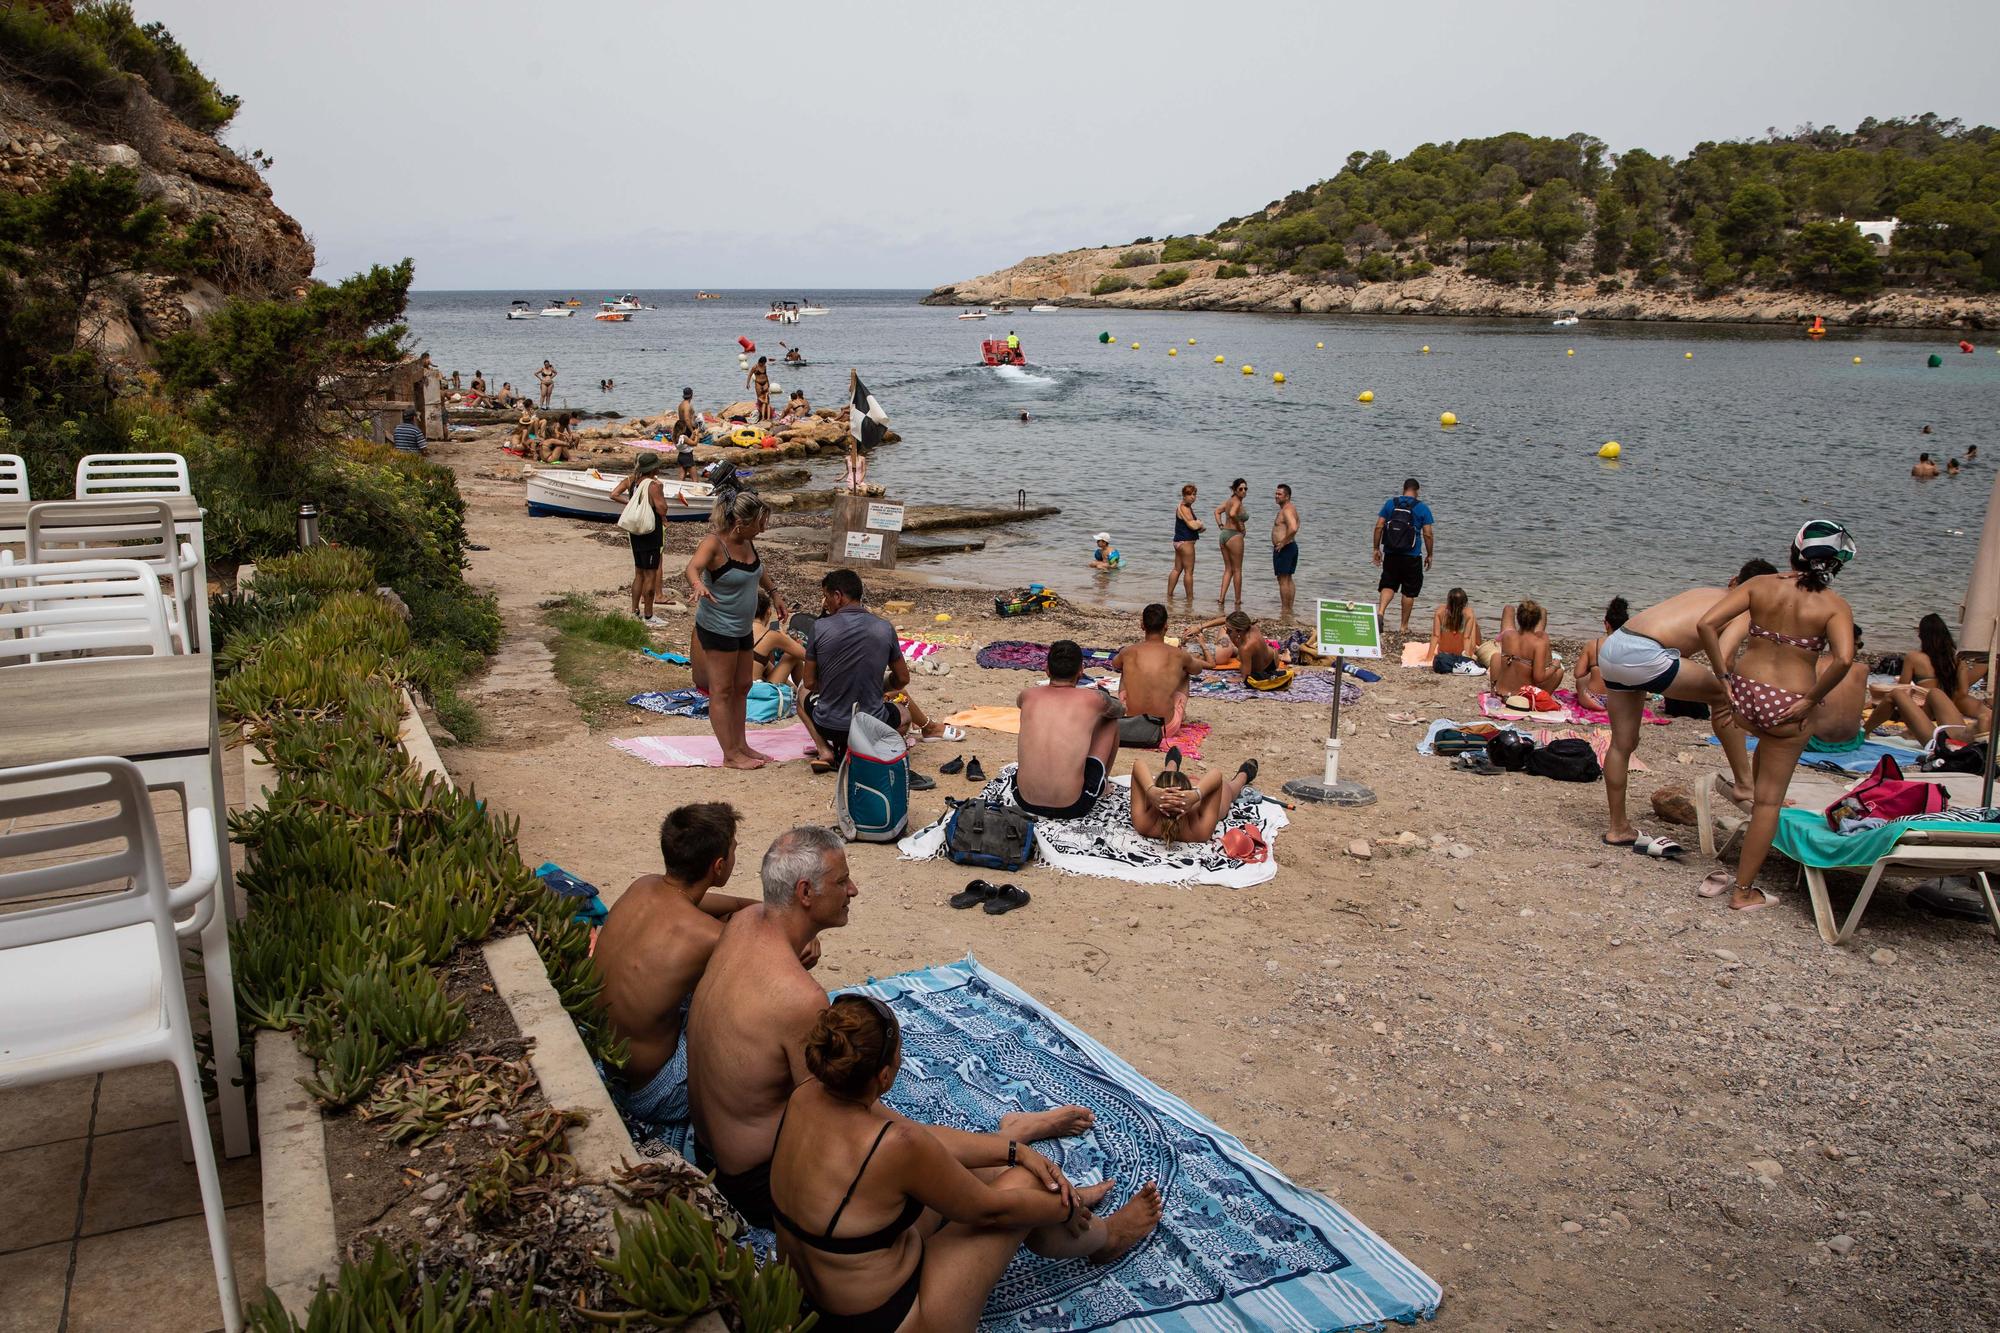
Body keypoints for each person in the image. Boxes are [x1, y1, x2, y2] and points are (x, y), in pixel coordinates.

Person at [689, 827, 1089, 1230]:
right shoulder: (799, 999)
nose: (854, 890)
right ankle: (1051, 1187)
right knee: (943, 1176)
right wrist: (1002, 1153)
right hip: (758, 1184)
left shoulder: (742, 922)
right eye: (842, 881)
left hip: (711, 1154)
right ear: (806, 893)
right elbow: (854, 1121)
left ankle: (1013, 1146)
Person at [769, 996, 1159, 1333]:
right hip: (897, 1320)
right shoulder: (897, 1147)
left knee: (1001, 1170)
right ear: (885, 1075)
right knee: (1032, 1187)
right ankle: (1105, 1239)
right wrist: (1062, 1205)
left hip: (814, 1302)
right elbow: (991, 1211)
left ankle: (1049, 1180)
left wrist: (1014, 1149)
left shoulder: (807, 1094)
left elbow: (926, 1139)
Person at [1695, 522, 1856, 911]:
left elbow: (1707, 625)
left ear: (1794, 552)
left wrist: (1723, 676)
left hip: (1747, 694)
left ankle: (1742, 869)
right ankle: (1743, 891)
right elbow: (1845, 659)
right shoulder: (1834, 606)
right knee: (1769, 803)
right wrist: (1812, 698)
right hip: (1789, 704)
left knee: (1764, 756)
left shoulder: (1761, 585)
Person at [593, 803, 757, 1125]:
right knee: (756, 1030)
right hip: (657, 1093)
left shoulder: (645, 886)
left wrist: (767, 912)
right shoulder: (709, 937)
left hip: (611, 1066)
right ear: (719, 866)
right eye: (735, 850)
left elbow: (737, 906)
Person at [1597, 558, 1774, 847]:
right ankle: (1744, 784)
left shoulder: (1704, 591)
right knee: (1723, 698)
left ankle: (1618, 828)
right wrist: (1729, 683)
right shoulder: (1744, 608)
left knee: (1622, 743)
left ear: (1733, 579)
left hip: (1615, 645)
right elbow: (1726, 656)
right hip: (1647, 654)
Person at [799, 568, 959, 772]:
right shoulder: (884, 627)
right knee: (904, 716)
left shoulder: (820, 627)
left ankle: (825, 750)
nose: (825, 603)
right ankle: (871, 749)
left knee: (802, 691)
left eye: (826, 596)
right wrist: (880, 685)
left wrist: (834, 684)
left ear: (838, 596)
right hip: (871, 726)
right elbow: (902, 679)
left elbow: (811, 682)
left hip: (829, 726)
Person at [686, 492, 788, 769]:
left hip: (742, 628)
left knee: (743, 686)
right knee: (722, 689)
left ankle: (742, 744)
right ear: (740, 522)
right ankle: (730, 754)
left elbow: (758, 569)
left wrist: (775, 593)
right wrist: (698, 585)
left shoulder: (748, 541)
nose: (763, 528)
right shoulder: (714, 544)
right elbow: (693, 568)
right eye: (759, 522)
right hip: (717, 627)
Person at [1015, 640, 1122, 818]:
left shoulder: (1027, 696)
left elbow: (1023, 705)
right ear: (1081, 670)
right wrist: (1103, 702)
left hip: (1024, 800)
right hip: (1072, 805)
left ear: (1047, 670)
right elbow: (1120, 710)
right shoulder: (1093, 699)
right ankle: (1101, 785)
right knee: (1109, 722)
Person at [1110, 603, 1202, 746]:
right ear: (1166, 626)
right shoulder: (1178, 654)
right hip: (1165, 728)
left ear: (1142, 625)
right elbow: (1197, 669)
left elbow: (1115, 664)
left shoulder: (1128, 651)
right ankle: (1177, 711)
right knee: (1185, 673)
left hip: (1130, 721)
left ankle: (1130, 708)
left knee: (1125, 669)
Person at [610, 452, 681, 624]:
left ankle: (634, 611)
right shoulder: (654, 485)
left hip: (635, 532)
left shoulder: (633, 481)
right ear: (653, 468)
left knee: (639, 573)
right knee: (650, 574)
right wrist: (662, 494)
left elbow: (614, 494)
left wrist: (632, 504)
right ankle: (648, 615)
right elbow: (662, 509)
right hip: (650, 532)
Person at [1130, 749, 1256, 843]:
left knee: (1167, 779)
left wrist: (1151, 790)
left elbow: (1138, 765)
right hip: (1200, 797)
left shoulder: (1145, 824)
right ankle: (1242, 777)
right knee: (1229, 788)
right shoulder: (1199, 832)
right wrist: (1197, 794)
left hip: (1186, 794)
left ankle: (1171, 766)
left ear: (1156, 801)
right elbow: (1216, 775)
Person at [1373, 478, 1434, 634]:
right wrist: (1430, 554)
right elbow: (1427, 534)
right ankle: (1403, 627)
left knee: (1388, 584)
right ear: (1417, 491)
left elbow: (1379, 526)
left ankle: (1380, 612)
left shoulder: (1390, 504)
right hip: (1412, 556)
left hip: (1391, 553)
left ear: (1404, 489)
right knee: (1409, 591)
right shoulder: (1422, 508)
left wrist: (1376, 548)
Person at [1187, 610, 1287, 684]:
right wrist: (1201, 627)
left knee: (1237, 654)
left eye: (1230, 631)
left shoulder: (1245, 648)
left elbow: (1245, 679)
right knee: (1227, 636)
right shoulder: (1252, 627)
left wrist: (1219, 679)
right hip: (1274, 658)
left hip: (1261, 670)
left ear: (1239, 631)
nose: (1227, 632)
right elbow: (1226, 620)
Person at [1489, 601, 1564, 696]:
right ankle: (1537, 700)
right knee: (1559, 672)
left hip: (1502, 693)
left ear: (1518, 618)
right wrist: (1554, 666)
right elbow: (1539, 678)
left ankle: (1494, 689)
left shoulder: (1507, 635)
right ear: (1537, 621)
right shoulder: (1538, 643)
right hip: (1522, 697)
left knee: (1496, 657)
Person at [1573, 596, 1630, 713]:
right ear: (1626, 624)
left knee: (1581, 681)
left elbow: (1578, 674)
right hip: (1621, 701)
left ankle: (1600, 706)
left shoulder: (1593, 645)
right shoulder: (1631, 646)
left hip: (1594, 700)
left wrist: (1592, 668)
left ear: (1606, 624)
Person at [753, 591, 808, 685]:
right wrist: (787, 639)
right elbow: (807, 655)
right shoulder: (770, 635)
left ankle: (798, 692)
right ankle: (805, 694)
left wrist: (793, 689)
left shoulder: (739, 631)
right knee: (792, 654)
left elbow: (770, 671)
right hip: (755, 691)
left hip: (737, 690)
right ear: (768, 612)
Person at [1212, 478, 1247, 607]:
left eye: (1245, 489)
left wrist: (1220, 525)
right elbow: (1232, 514)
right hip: (1234, 536)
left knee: (1228, 569)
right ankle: (1237, 600)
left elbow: (1216, 511)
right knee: (1237, 570)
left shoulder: (1229, 501)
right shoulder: (1236, 502)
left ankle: (1221, 598)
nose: (1243, 491)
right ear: (1234, 490)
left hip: (1224, 535)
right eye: (1240, 489)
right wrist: (1240, 526)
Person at [1271, 482, 1301, 620]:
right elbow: (1298, 523)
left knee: (1283, 580)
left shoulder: (1287, 510)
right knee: (1288, 578)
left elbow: (1294, 527)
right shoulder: (1291, 508)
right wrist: (1289, 539)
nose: (1276, 496)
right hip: (1290, 546)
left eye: (1279, 494)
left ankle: (1285, 609)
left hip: (1285, 548)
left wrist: (1283, 542)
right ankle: (1289, 609)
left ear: (1287, 496)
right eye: (1276, 493)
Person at [1168, 483, 1202, 600]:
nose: (1193, 497)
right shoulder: (1185, 508)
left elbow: (1195, 525)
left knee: (1177, 569)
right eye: (1190, 494)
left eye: (1194, 494)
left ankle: (1169, 595)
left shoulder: (1181, 507)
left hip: (1178, 541)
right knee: (1189, 572)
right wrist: (1200, 524)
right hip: (1186, 543)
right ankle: (1190, 598)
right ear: (1184, 495)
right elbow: (1193, 526)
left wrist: (1198, 525)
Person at [1429, 587, 1481, 660]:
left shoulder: (1439, 611)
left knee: (1471, 619)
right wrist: (1467, 658)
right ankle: (1480, 645)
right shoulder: (1469, 614)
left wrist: (1429, 657)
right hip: (1461, 653)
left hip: (1444, 653)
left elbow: (1435, 636)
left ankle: (1478, 646)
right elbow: (1466, 638)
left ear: (1448, 601)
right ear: (1465, 602)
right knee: (1473, 620)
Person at [673, 388, 700, 480]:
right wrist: (692, 430)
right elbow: (687, 419)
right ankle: (689, 465)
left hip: (681, 428)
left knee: (684, 448)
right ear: (691, 395)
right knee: (688, 449)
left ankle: (684, 467)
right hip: (686, 428)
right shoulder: (687, 405)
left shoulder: (681, 405)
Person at [747, 355, 772, 423]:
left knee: (767, 399)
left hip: (765, 383)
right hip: (758, 383)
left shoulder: (764, 366)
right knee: (760, 398)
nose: (764, 364)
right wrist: (748, 383)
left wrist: (768, 384)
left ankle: (767, 416)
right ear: (761, 362)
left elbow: (766, 375)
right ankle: (762, 415)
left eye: (765, 363)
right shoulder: (755, 367)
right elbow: (750, 374)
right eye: (764, 363)